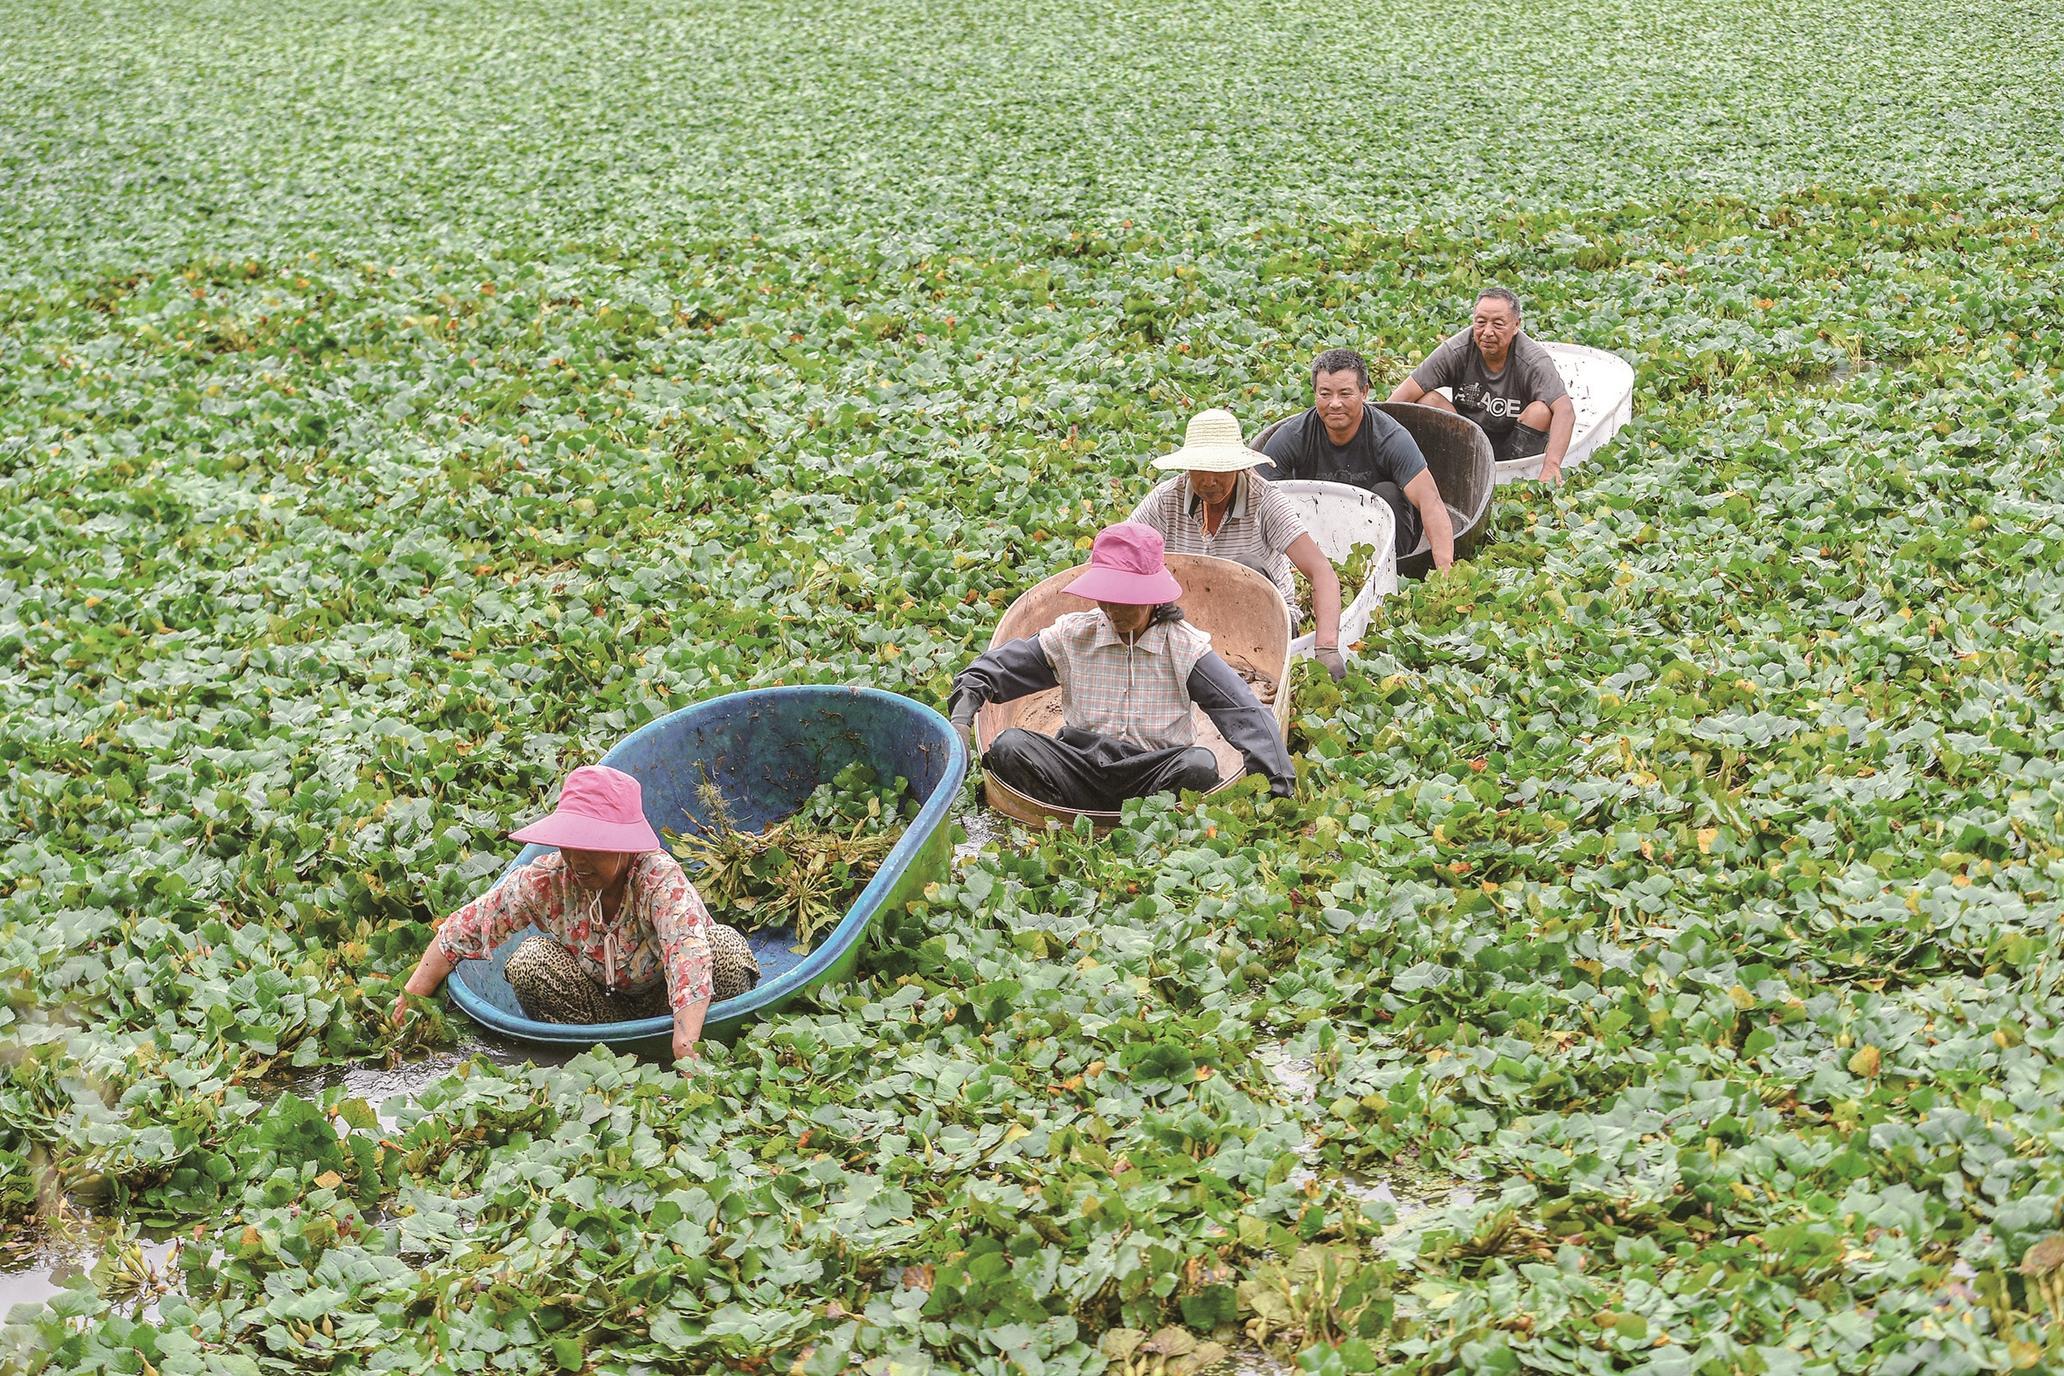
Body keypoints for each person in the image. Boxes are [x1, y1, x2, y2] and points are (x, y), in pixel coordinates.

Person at [389, 764, 759, 1062]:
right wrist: (411, 1000)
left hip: (674, 1002)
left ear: (623, 845)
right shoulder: (549, 879)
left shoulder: (657, 878)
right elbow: (466, 929)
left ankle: (695, 1043)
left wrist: (685, 1045)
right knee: (530, 961)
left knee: (724, 950)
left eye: (592, 846)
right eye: (570, 844)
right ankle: (595, 1055)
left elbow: (687, 955)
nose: (578, 859)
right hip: (599, 1012)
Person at [948, 521, 1295, 813]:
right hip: (1079, 767)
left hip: (1151, 775)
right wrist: (961, 721)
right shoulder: (1074, 635)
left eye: (1125, 601)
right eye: (1107, 598)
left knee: (1199, 766)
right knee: (1010, 746)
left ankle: (1137, 823)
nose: (1113, 610)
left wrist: (1278, 789)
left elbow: (1244, 712)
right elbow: (990, 672)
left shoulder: (1183, 646)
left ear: (1152, 598)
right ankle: (1066, 818)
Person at [1130, 408, 1348, 681]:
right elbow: (1121, 555)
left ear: (1238, 466)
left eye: (1219, 470)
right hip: (1189, 619)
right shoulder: (1166, 500)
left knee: (1247, 568)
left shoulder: (1265, 501)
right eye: (1199, 470)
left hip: (1262, 626)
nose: (1209, 481)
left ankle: (1253, 674)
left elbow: (1320, 571)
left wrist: (1326, 648)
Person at [1256, 349, 1457, 573]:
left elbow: (1430, 502)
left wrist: (1445, 572)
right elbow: (1257, 494)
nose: (1334, 404)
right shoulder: (1294, 436)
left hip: (1379, 540)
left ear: (1364, 392)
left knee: (1388, 491)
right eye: (1325, 394)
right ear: (1314, 393)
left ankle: (1392, 570)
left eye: (1345, 393)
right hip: (1317, 534)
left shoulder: (1389, 437)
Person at [1389, 288, 1576, 481]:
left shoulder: (1533, 360)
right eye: (1480, 322)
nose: (1487, 332)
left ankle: (1514, 476)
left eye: (1498, 324)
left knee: (1541, 412)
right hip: (1467, 442)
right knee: (1428, 400)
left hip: (1515, 444)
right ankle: (1451, 467)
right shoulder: (1456, 349)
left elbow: (1565, 410)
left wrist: (1552, 464)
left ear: (1516, 325)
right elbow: (1400, 397)